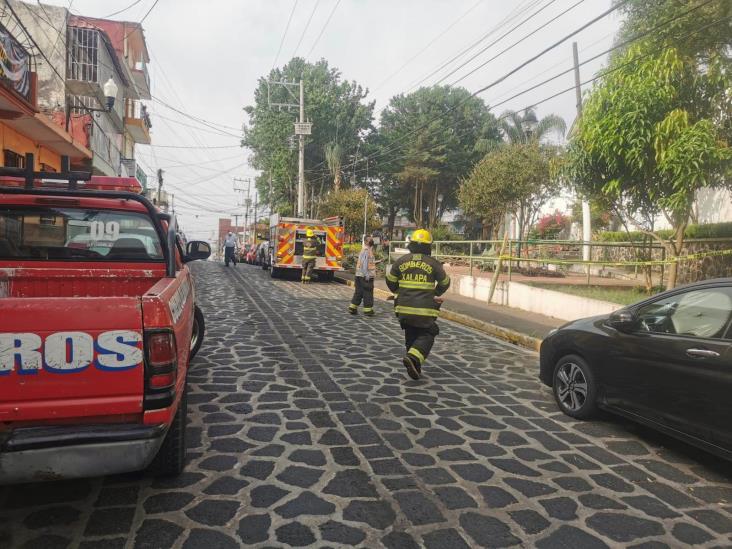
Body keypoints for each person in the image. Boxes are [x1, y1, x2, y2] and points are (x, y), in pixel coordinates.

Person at [385, 229, 450, 380]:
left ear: (411, 244)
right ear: (429, 246)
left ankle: (414, 366)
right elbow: (445, 282)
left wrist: (397, 290)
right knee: (429, 332)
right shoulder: (433, 264)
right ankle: (414, 358)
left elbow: (390, 280)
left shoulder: (401, 261)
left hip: (403, 309)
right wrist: (436, 292)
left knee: (411, 334)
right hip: (424, 311)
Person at [349, 237, 376, 316]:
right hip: (365, 276)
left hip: (359, 275)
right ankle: (368, 310)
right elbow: (364, 264)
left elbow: (366, 263)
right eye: (369, 239)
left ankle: (352, 307)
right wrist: (367, 275)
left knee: (359, 292)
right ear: (366, 242)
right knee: (368, 293)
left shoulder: (365, 250)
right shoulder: (367, 251)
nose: (371, 240)